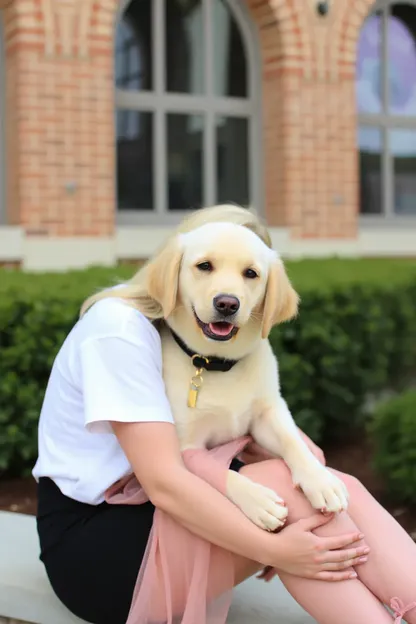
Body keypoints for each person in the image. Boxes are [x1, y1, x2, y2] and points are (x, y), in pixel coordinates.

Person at [33, 205, 416, 624]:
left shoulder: (205, 340)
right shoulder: (119, 329)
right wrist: (272, 550)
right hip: (95, 549)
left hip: (165, 514)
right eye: (206, 265)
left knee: (335, 491)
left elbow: (308, 455)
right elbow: (164, 482)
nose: (226, 290)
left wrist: (294, 466)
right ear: (174, 267)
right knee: (292, 497)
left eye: (249, 273)